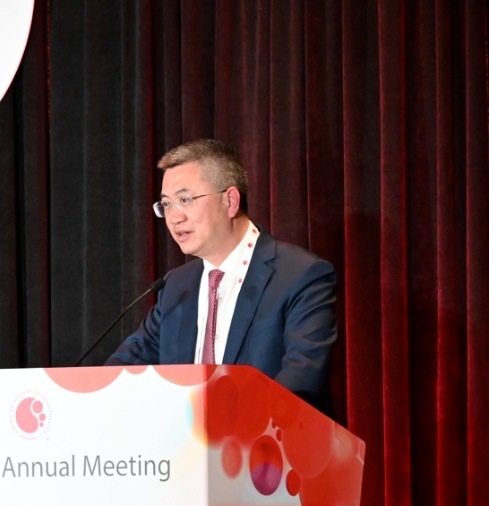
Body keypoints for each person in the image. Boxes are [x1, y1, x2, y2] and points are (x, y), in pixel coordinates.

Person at [106, 139, 337, 408]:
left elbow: (301, 378)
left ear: (230, 201)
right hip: (187, 435)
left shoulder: (300, 275)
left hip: (266, 432)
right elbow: (124, 367)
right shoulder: (176, 286)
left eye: (184, 200)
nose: (174, 217)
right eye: (166, 204)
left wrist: (230, 428)